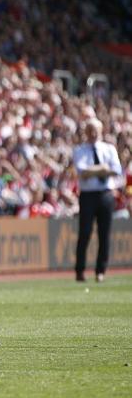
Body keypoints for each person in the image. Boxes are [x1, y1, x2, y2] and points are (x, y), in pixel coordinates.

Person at [72, 118, 122, 282]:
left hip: (105, 194)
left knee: (104, 234)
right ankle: (80, 270)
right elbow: (82, 172)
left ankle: (100, 270)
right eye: (90, 130)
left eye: (96, 130)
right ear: (85, 132)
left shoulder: (109, 149)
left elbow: (116, 170)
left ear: (101, 131)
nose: (93, 134)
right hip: (87, 195)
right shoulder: (80, 150)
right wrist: (102, 169)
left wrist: (93, 170)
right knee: (84, 232)